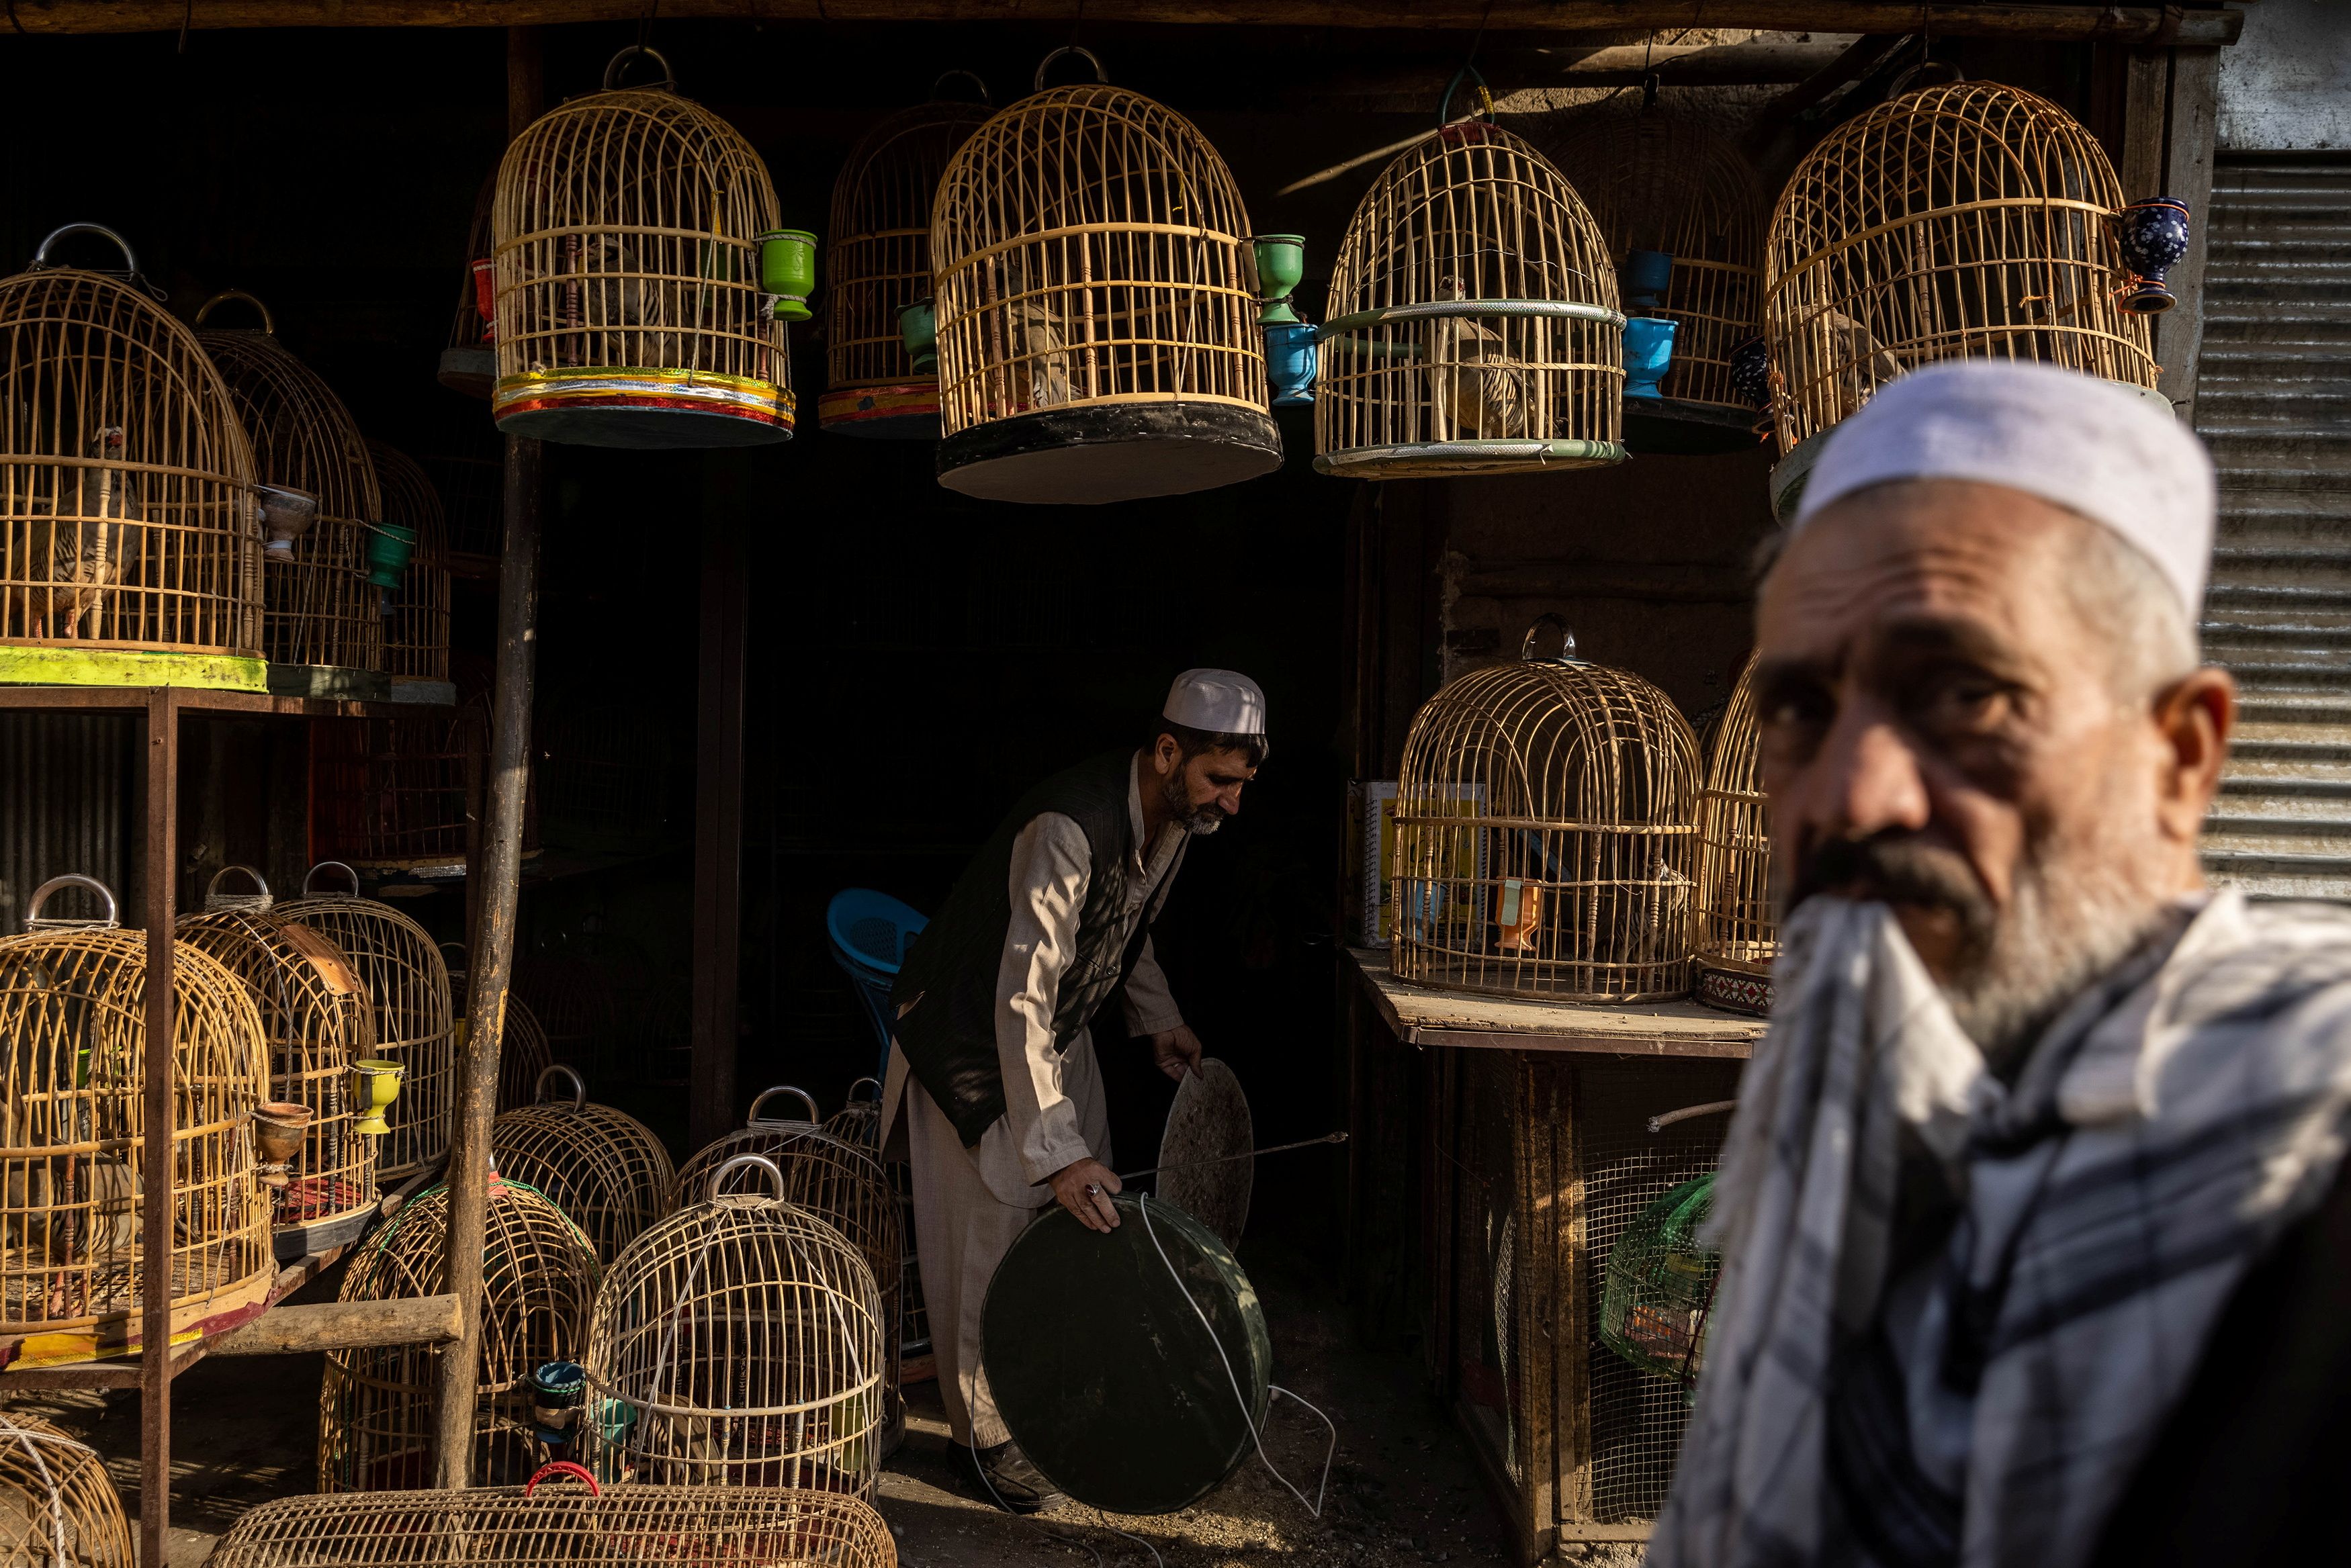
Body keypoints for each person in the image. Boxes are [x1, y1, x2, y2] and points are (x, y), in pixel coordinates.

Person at [1651, 361, 2351, 1568]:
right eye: (1804, 709)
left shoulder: (2303, 1126)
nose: (1851, 798)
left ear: (2181, 757)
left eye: (1966, 693)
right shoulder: (1856, 1067)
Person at [879, 670, 1268, 1512]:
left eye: (1242, 783)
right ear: (1167, 751)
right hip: (971, 1041)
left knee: (1084, 1211)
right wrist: (1052, 1153)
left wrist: (1156, 1017)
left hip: (1056, 1028)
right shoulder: (1066, 826)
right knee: (995, 1234)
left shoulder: (1174, 816)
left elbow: (1128, 921)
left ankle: (1041, 1400)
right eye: (1218, 780)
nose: (1232, 803)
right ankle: (978, 1439)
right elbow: (1020, 991)